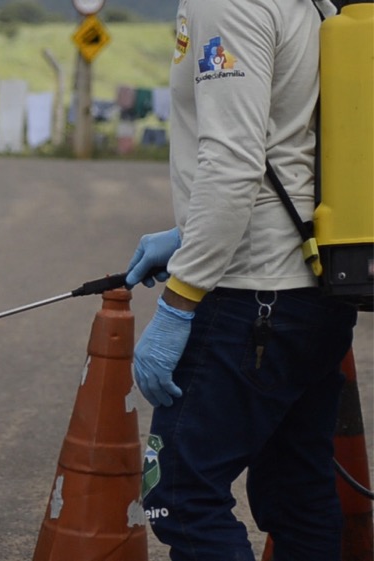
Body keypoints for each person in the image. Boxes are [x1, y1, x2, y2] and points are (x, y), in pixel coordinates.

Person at [123, 0, 358, 560]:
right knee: (299, 498)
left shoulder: (227, 2)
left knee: (181, 496)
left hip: (251, 300)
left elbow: (232, 163)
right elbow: (290, 142)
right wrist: (190, 234)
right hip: (312, 292)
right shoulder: (310, 1)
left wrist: (180, 299)